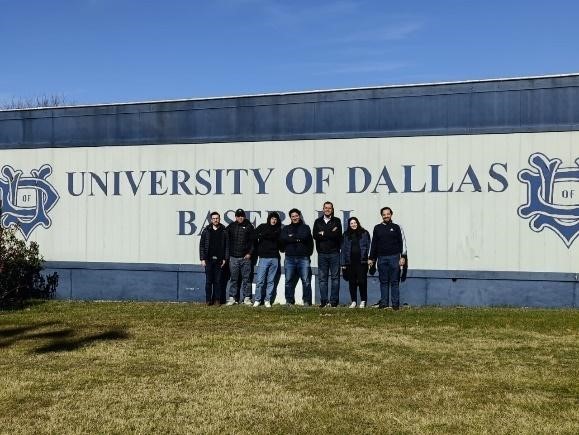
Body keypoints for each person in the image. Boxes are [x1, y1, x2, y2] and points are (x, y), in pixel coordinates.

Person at [368, 207, 407, 310]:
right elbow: (374, 245)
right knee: (383, 282)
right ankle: (384, 303)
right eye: (384, 214)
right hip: (381, 258)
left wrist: (403, 257)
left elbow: (402, 242)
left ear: (391, 214)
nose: (386, 216)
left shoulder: (397, 227)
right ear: (382, 216)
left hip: (394, 257)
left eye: (388, 214)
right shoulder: (377, 228)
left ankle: (395, 305)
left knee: (394, 282)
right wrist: (371, 258)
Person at [280, 208, 313, 306]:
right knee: (288, 281)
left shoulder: (306, 227)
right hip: (289, 258)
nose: (295, 218)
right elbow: (283, 238)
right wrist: (297, 238)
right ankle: (289, 301)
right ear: (290, 217)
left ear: (299, 216)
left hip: (303, 258)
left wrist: (291, 238)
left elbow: (305, 237)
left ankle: (307, 301)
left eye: (296, 216)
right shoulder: (286, 228)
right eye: (293, 216)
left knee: (306, 281)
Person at [312, 201, 342, 307]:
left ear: (332, 209)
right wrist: (330, 232)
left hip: (334, 253)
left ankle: (333, 301)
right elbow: (315, 235)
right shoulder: (318, 221)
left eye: (330, 208)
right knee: (322, 279)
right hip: (322, 254)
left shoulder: (337, 221)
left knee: (335, 278)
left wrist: (323, 233)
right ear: (323, 209)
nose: (328, 209)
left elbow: (338, 236)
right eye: (326, 208)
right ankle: (324, 301)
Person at [225, 208, 255, 306]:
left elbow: (253, 242)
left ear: (244, 216)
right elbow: (225, 237)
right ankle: (233, 298)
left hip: (245, 258)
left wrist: (249, 253)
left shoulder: (249, 226)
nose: (240, 218)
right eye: (238, 216)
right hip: (233, 258)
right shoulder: (231, 226)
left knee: (246, 279)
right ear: (236, 217)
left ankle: (247, 298)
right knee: (234, 279)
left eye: (242, 216)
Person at [199, 212, 228, 305]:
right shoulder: (206, 230)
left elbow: (227, 246)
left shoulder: (224, 230)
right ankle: (208, 300)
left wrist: (225, 259)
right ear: (211, 220)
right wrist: (202, 259)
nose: (215, 220)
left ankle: (217, 299)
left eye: (217, 218)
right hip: (208, 260)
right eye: (214, 218)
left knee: (218, 281)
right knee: (208, 281)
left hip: (219, 260)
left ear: (219, 219)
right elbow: (202, 245)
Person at [253, 212, 282, 308]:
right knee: (260, 281)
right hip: (263, 258)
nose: (273, 220)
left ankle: (267, 300)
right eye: (272, 218)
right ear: (269, 219)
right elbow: (254, 236)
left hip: (274, 258)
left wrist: (266, 236)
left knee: (271, 281)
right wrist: (264, 235)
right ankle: (257, 300)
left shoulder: (279, 229)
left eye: (275, 219)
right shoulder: (262, 226)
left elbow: (278, 240)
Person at [340, 217, 370, 308]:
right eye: (351, 223)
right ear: (349, 225)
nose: (353, 224)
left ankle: (363, 301)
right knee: (352, 282)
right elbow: (343, 249)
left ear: (358, 223)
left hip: (362, 262)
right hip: (350, 262)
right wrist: (343, 263)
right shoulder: (346, 234)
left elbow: (369, 246)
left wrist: (369, 258)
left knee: (362, 281)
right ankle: (353, 301)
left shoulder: (364, 233)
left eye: (355, 222)